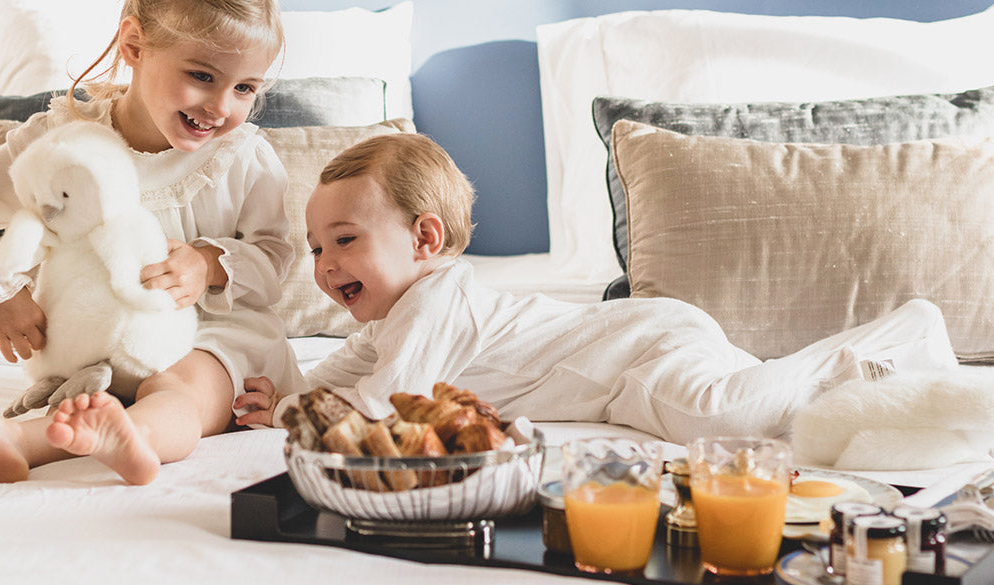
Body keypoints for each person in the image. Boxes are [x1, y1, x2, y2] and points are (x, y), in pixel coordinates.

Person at [233, 133, 960, 444]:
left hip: (638, 351)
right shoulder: (383, 327)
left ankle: (901, 334)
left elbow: (386, 407)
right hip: (628, 371)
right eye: (316, 249)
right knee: (754, 398)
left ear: (425, 239)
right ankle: (878, 373)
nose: (325, 266)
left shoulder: (437, 297)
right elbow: (332, 384)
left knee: (723, 421)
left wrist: (292, 410)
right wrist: (284, 394)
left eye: (346, 241)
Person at [0, 0, 302, 485]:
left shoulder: (243, 157)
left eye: (245, 88)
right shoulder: (63, 140)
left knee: (179, 388)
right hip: (95, 346)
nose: (221, 107)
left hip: (214, 340)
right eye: (202, 76)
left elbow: (278, 256)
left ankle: (50, 441)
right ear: (135, 44)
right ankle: (82, 427)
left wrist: (209, 265)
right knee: (83, 396)